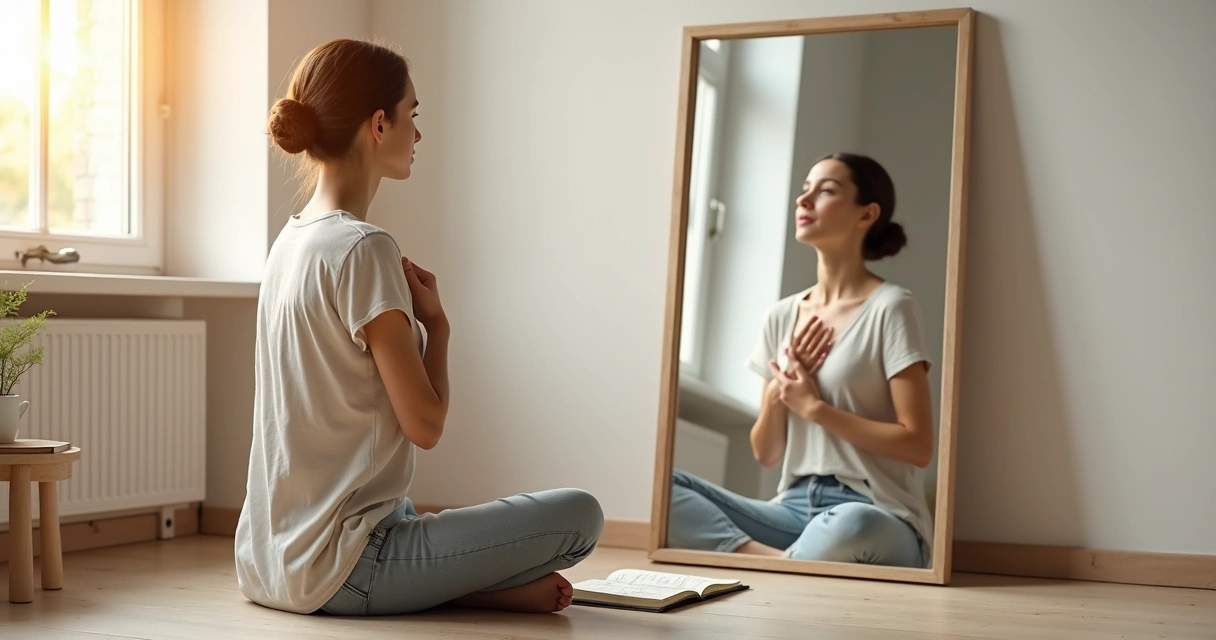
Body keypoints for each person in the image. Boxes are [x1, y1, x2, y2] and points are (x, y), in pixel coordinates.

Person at [234, 38, 604, 617]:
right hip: (346, 566)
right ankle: (464, 586)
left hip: (264, 562)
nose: (418, 134)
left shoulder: (290, 242)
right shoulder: (363, 247)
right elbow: (425, 425)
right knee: (581, 515)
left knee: (403, 511)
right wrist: (439, 326)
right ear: (378, 125)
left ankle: (466, 586)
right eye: (413, 115)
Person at [667, 152, 935, 568]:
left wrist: (815, 408)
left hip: (876, 511)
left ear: (867, 214)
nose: (803, 201)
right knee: (664, 488)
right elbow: (767, 452)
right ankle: (782, 565)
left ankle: (773, 569)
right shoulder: (781, 316)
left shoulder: (891, 307)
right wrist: (782, 388)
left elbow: (917, 445)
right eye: (804, 190)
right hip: (793, 509)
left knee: (850, 525)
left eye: (825, 191)